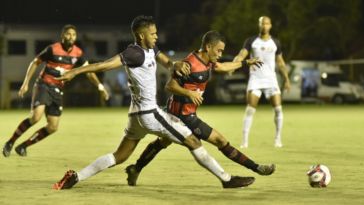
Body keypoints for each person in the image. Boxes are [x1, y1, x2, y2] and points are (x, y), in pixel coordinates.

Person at [52, 15, 255, 190]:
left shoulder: (151, 49)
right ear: (141, 35)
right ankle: (226, 179)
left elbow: (165, 60)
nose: (156, 36)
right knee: (193, 141)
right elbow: (104, 65)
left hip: (136, 115)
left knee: (119, 156)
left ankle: (76, 177)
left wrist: (175, 64)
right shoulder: (134, 52)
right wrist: (75, 72)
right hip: (149, 113)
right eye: (153, 34)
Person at [125, 30, 275, 186]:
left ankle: (135, 169)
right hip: (183, 116)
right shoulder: (189, 64)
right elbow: (169, 85)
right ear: (209, 47)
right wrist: (188, 93)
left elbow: (223, 67)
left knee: (162, 143)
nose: (220, 54)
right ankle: (256, 168)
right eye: (219, 50)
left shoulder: (207, 61)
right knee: (220, 140)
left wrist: (245, 62)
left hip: (180, 113)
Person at [2, 24, 109, 157]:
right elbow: (35, 62)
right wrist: (25, 83)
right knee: (36, 117)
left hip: (58, 89)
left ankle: (23, 146)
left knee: (52, 127)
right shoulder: (52, 49)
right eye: (68, 34)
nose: (71, 37)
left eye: (74, 35)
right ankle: (10, 142)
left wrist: (100, 87)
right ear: (62, 35)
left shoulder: (78, 53)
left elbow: (88, 72)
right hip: (44, 85)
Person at [233, 16, 291, 148]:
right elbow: (241, 55)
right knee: (250, 110)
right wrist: (233, 65)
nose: (264, 26)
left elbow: (281, 62)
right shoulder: (251, 41)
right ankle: (244, 140)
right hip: (256, 79)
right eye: (262, 24)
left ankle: (277, 139)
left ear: (270, 25)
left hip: (271, 80)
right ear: (259, 25)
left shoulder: (275, 42)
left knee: (278, 109)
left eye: (266, 23)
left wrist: (286, 79)